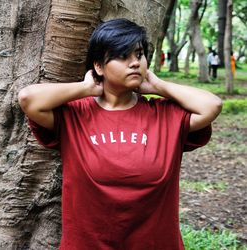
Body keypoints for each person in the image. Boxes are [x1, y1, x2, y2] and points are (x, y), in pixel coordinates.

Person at [18, 18, 222, 249]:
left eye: (139, 54)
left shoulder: (165, 115)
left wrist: (159, 87)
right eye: (123, 56)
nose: (135, 63)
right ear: (98, 66)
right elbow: (28, 99)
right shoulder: (75, 115)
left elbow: (212, 105)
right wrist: (85, 88)